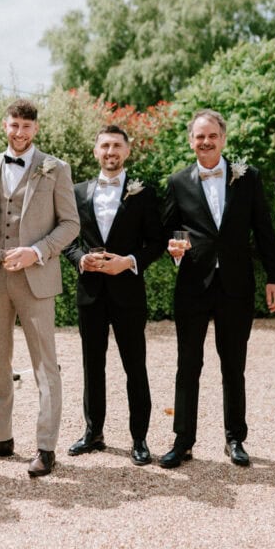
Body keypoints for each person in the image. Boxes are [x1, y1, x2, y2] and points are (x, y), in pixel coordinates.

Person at [161, 109, 275, 469]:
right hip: (192, 285)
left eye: (212, 136)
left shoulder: (248, 177)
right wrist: (173, 249)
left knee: (233, 365)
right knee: (188, 365)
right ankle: (183, 441)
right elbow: (167, 231)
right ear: (191, 141)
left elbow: (264, 230)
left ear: (223, 138)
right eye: (200, 136)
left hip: (236, 285)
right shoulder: (177, 181)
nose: (206, 142)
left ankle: (235, 439)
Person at [0, 99, 80, 477]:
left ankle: (46, 447)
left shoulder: (56, 168)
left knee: (45, 364)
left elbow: (71, 224)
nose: (19, 132)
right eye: (14, 125)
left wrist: (37, 251)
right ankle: (2, 437)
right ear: (5, 126)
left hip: (36, 278)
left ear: (35, 129)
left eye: (26, 126)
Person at [62, 125, 164, 466]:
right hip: (90, 292)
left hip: (128, 293)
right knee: (92, 366)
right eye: (104, 145)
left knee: (135, 366)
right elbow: (68, 238)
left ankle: (139, 439)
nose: (110, 151)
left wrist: (129, 262)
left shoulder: (144, 193)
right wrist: (80, 259)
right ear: (96, 151)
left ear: (127, 150)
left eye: (117, 145)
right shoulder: (77, 192)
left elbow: (156, 242)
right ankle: (93, 433)